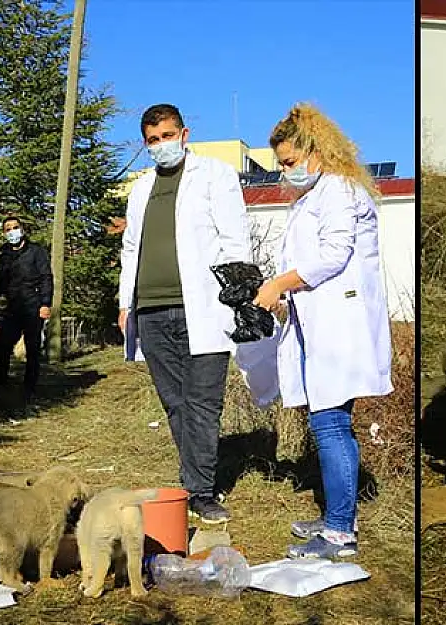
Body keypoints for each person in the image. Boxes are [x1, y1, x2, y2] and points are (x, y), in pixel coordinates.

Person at [252, 103, 392, 559]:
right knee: (329, 422)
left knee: (330, 424)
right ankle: (339, 515)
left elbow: (333, 254)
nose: (286, 172)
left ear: (316, 151)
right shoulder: (315, 195)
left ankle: (339, 533)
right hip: (321, 323)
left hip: (341, 326)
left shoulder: (337, 189)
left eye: (290, 162)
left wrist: (280, 284)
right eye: (282, 165)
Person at [117, 103, 253, 524]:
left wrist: (239, 298)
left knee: (204, 401)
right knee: (175, 403)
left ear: (184, 133)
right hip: (152, 310)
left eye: (168, 136)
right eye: (153, 140)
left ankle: (201, 491)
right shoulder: (141, 189)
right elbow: (131, 248)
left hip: (204, 307)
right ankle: (194, 478)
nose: (161, 145)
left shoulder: (214, 175)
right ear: (146, 143)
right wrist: (125, 304)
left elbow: (235, 239)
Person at [0, 216, 52, 406]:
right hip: (13, 307)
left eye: (15, 227)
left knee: (32, 349)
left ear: (22, 229)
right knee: (3, 346)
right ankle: (1, 383)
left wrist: (45, 303)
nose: (12, 231)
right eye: (8, 229)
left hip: (33, 306)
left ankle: (30, 388)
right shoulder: (4, 255)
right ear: (4, 233)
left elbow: (46, 278)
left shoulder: (37, 252)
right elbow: (0, 283)